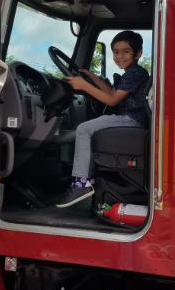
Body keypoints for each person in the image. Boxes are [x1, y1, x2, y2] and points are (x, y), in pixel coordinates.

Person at [56, 30, 149, 208]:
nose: (119, 56)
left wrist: (84, 85)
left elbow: (111, 100)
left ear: (138, 53)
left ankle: (81, 183)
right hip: (131, 118)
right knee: (88, 128)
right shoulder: (132, 72)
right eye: (115, 51)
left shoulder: (135, 73)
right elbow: (113, 92)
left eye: (126, 51)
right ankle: (86, 178)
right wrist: (92, 78)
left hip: (132, 120)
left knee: (84, 129)